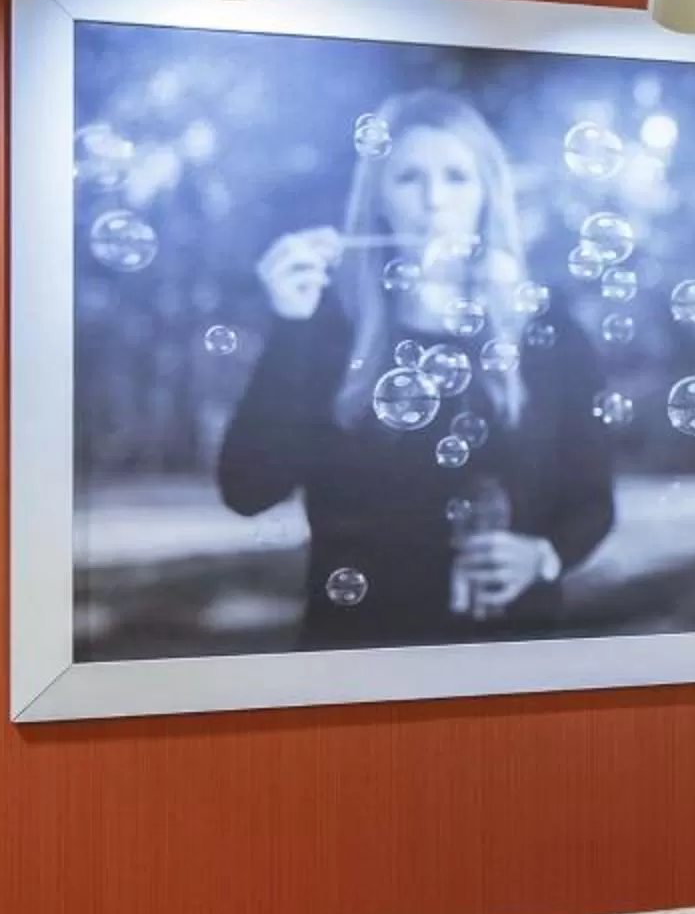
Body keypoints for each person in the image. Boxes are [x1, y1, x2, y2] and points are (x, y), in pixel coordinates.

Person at [218, 89, 614, 646]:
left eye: (456, 177)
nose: (434, 201)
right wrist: (290, 326)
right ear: (378, 198)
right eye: (409, 178)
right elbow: (248, 489)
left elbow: (593, 501)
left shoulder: (548, 336)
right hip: (356, 655)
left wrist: (545, 556)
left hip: (513, 655)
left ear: (485, 196)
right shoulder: (330, 331)